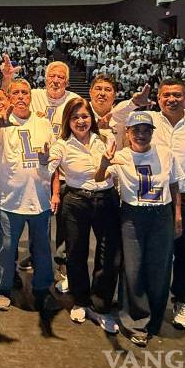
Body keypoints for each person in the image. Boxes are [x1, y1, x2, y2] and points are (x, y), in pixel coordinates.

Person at [131, 78, 185, 332]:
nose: (172, 99)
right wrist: (134, 103)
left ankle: (182, 301)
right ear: (158, 99)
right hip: (151, 197)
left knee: (183, 253)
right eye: (166, 95)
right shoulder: (147, 121)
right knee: (149, 253)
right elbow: (117, 121)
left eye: (177, 95)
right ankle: (148, 300)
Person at [95, 111, 184, 347]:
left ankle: (154, 318)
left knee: (159, 268)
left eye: (146, 130)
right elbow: (99, 178)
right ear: (128, 132)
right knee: (133, 269)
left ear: (152, 133)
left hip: (161, 215)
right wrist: (104, 163)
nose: (141, 135)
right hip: (133, 217)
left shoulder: (165, 153)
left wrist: (177, 215)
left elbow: (174, 186)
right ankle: (135, 321)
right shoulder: (121, 156)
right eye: (136, 130)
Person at [48, 96, 120, 333]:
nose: (81, 121)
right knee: (75, 252)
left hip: (106, 199)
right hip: (76, 200)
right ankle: (80, 300)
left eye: (85, 116)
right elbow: (49, 166)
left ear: (92, 118)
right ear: (67, 121)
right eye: (75, 117)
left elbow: (115, 168)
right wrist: (45, 162)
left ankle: (100, 305)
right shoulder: (61, 145)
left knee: (108, 254)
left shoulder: (106, 138)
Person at [0, 79, 56, 312]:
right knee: (7, 248)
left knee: (42, 249)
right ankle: (3, 288)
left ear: (30, 97)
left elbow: (53, 158)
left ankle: (42, 289)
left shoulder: (43, 122)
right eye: (15, 93)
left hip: (40, 198)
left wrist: (55, 190)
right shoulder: (1, 122)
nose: (20, 96)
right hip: (11, 199)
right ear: (9, 98)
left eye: (24, 92)